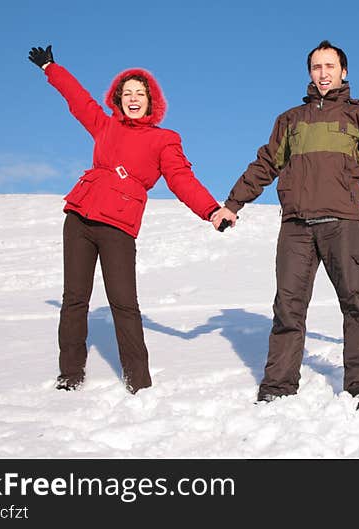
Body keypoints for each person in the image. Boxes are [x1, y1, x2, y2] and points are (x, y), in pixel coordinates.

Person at [212, 40, 359, 410]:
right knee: (288, 308)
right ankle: (278, 387)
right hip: (296, 227)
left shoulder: (357, 116)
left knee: (356, 303)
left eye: (330, 66)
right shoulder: (290, 120)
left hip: (343, 223)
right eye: (317, 67)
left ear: (343, 71)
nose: (323, 73)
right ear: (310, 73)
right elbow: (264, 165)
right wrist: (232, 204)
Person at [27, 44, 223, 394]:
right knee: (75, 298)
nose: (134, 98)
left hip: (118, 226)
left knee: (123, 303)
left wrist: (210, 210)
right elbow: (79, 100)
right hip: (80, 218)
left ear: (151, 100)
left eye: (140, 93)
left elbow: (182, 179)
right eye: (127, 93)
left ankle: (139, 383)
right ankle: (70, 375)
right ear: (117, 99)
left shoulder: (164, 140)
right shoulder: (104, 126)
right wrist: (51, 69)